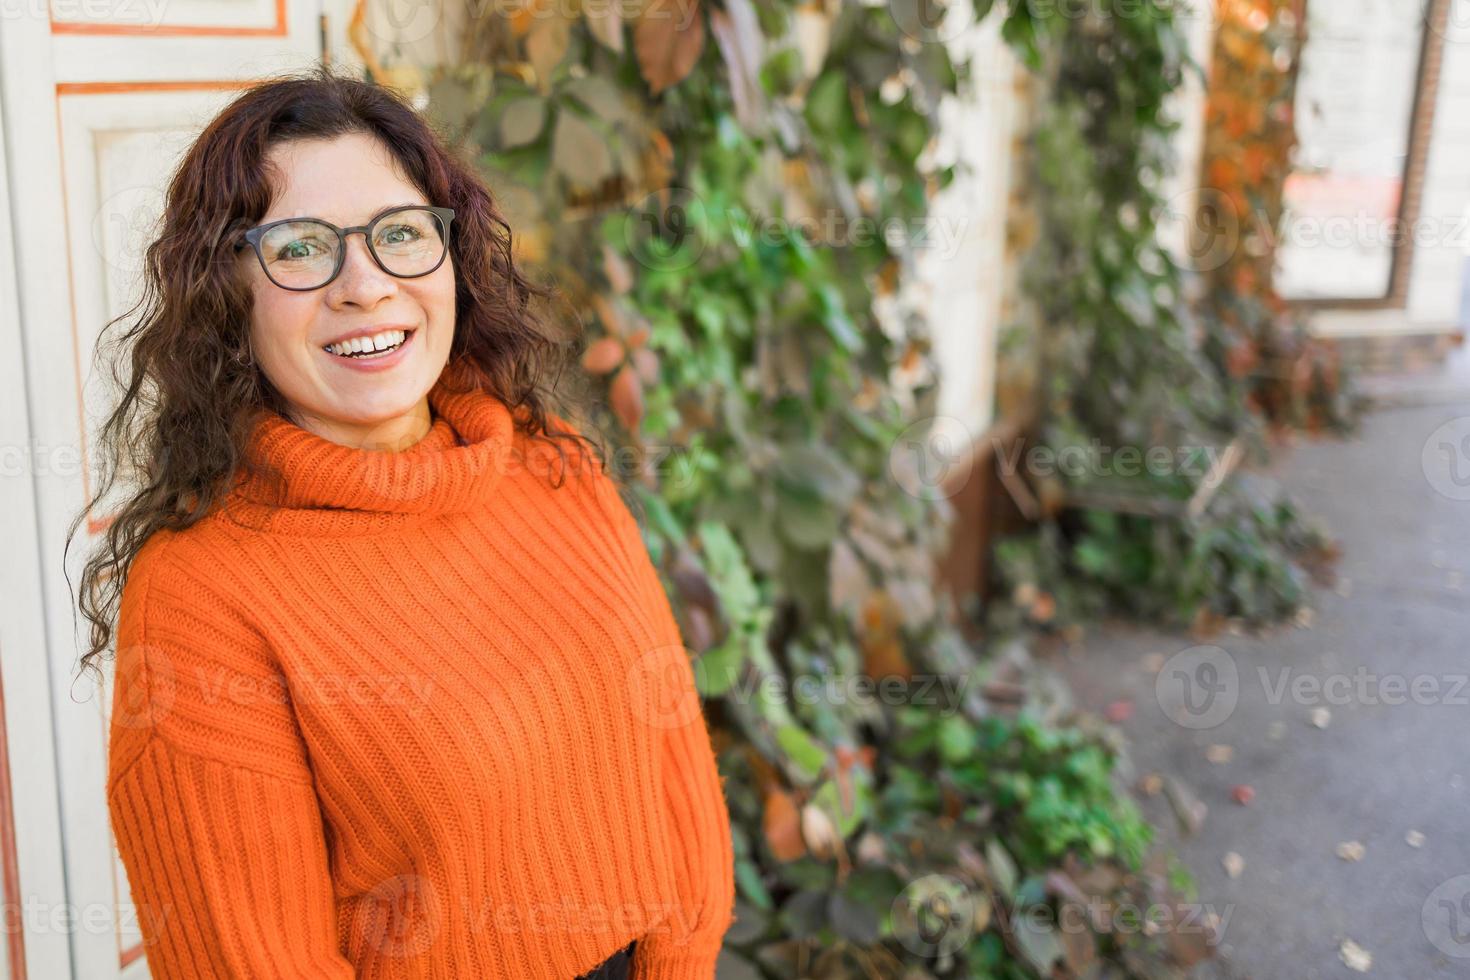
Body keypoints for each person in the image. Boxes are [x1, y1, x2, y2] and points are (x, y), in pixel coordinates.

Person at [69, 64, 734, 980]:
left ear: (450, 255)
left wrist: (683, 962)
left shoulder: (552, 463)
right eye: (300, 248)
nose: (366, 285)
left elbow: (668, 751)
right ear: (228, 292)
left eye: (399, 234)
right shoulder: (201, 598)